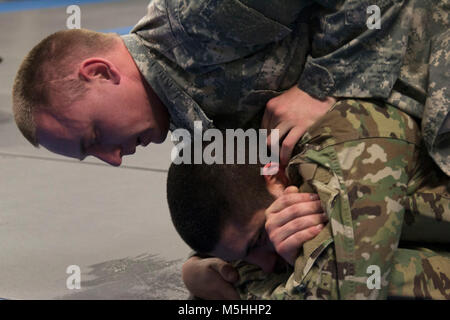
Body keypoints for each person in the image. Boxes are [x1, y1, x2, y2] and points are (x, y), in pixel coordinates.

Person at [11, 1, 449, 175]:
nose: (113, 158)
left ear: (100, 73)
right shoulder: (193, 126)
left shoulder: (198, 15)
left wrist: (322, 86)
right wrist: (209, 261)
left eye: (94, 138)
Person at [167, 98, 450, 299]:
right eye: (246, 260)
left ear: (275, 175)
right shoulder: (269, 182)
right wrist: (194, 269)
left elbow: (343, 293)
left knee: (374, 276)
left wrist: (241, 289)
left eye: (260, 240)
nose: (264, 266)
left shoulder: (344, 155)